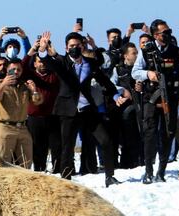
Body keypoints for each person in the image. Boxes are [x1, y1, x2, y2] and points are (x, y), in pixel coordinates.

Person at [38, 31, 120, 186]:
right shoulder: (62, 62)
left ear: (82, 46)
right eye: (71, 46)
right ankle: (66, 180)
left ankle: (110, 176)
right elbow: (47, 61)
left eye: (77, 45)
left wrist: (115, 95)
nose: (74, 48)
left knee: (106, 140)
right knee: (67, 146)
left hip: (88, 109)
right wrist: (42, 49)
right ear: (66, 48)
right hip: (68, 110)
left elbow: (104, 80)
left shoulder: (90, 63)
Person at [132, 19, 179, 183]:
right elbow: (135, 72)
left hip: (171, 98)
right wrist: (149, 74)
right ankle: (148, 171)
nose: (168, 35)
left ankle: (161, 171)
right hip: (151, 98)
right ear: (155, 35)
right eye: (164, 32)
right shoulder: (146, 50)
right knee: (150, 134)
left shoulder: (176, 51)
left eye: (169, 32)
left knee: (168, 133)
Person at [0, 59, 41, 168]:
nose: (16, 71)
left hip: (22, 127)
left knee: (27, 162)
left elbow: (37, 101)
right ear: (7, 70)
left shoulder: (25, 86)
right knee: (4, 162)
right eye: (13, 69)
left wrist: (34, 90)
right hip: (6, 128)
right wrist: (3, 84)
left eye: (18, 69)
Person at [23, 41, 61, 172]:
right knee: (38, 148)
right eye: (39, 61)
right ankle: (39, 170)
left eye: (44, 61)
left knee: (56, 146)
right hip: (35, 118)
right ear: (34, 64)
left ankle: (57, 170)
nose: (42, 64)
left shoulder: (54, 76)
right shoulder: (30, 75)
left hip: (53, 117)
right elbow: (22, 66)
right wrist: (32, 49)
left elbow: (63, 65)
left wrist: (52, 51)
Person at [110, 42, 144, 169]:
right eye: (133, 53)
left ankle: (141, 161)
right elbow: (111, 85)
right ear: (125, 56)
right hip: (125, 109)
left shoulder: (141, 68)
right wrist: (122, 90)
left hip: (141, 106)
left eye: (137, 53)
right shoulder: (118, 69)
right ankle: (126, 163)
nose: (136, 55)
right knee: (126, 137)